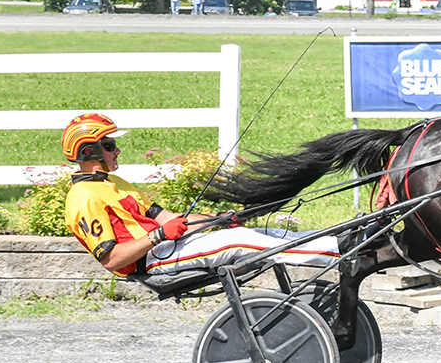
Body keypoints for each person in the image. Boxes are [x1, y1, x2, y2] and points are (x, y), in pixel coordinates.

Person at [62, 113, 353, 279]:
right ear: (90, 151)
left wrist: (217, 219)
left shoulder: (116, 183)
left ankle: (343, 239)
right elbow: (111, 260)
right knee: (241, 242)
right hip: (150, 261)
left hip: (168, 248)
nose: (117, 150)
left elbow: (172, 220)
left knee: (263, 232)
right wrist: (159, 236)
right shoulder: (82, 198)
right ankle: (342, 254)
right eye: (110, 145)